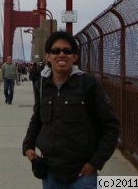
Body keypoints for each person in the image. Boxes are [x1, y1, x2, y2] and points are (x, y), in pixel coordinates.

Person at [22, 31, 120, 188]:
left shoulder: (89, 84)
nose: (62, 54)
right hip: (50, 172)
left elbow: (112, 125)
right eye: (56, 51)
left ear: (75, 57)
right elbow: (37, 118)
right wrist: (27, 146)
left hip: (83, 173)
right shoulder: (41, 85)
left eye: (67, 51)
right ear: (47, 56)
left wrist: (96, 161)